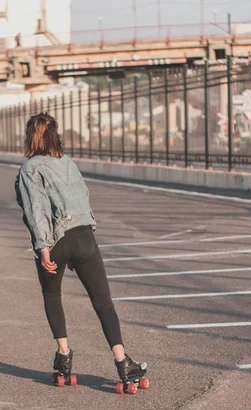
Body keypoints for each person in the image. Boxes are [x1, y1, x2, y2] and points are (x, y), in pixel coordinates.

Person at [15, 113, 147, 390]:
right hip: (84, 236)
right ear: (55, 135)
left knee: (52, 295)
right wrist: (80, 241)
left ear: (31, 137)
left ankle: (64, 358)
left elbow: (35, 210)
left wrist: (43, 248)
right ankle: (123, 362)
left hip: (55, 241)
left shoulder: (30, 169)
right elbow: (83, 198)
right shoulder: (68, 163)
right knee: (103, 303)